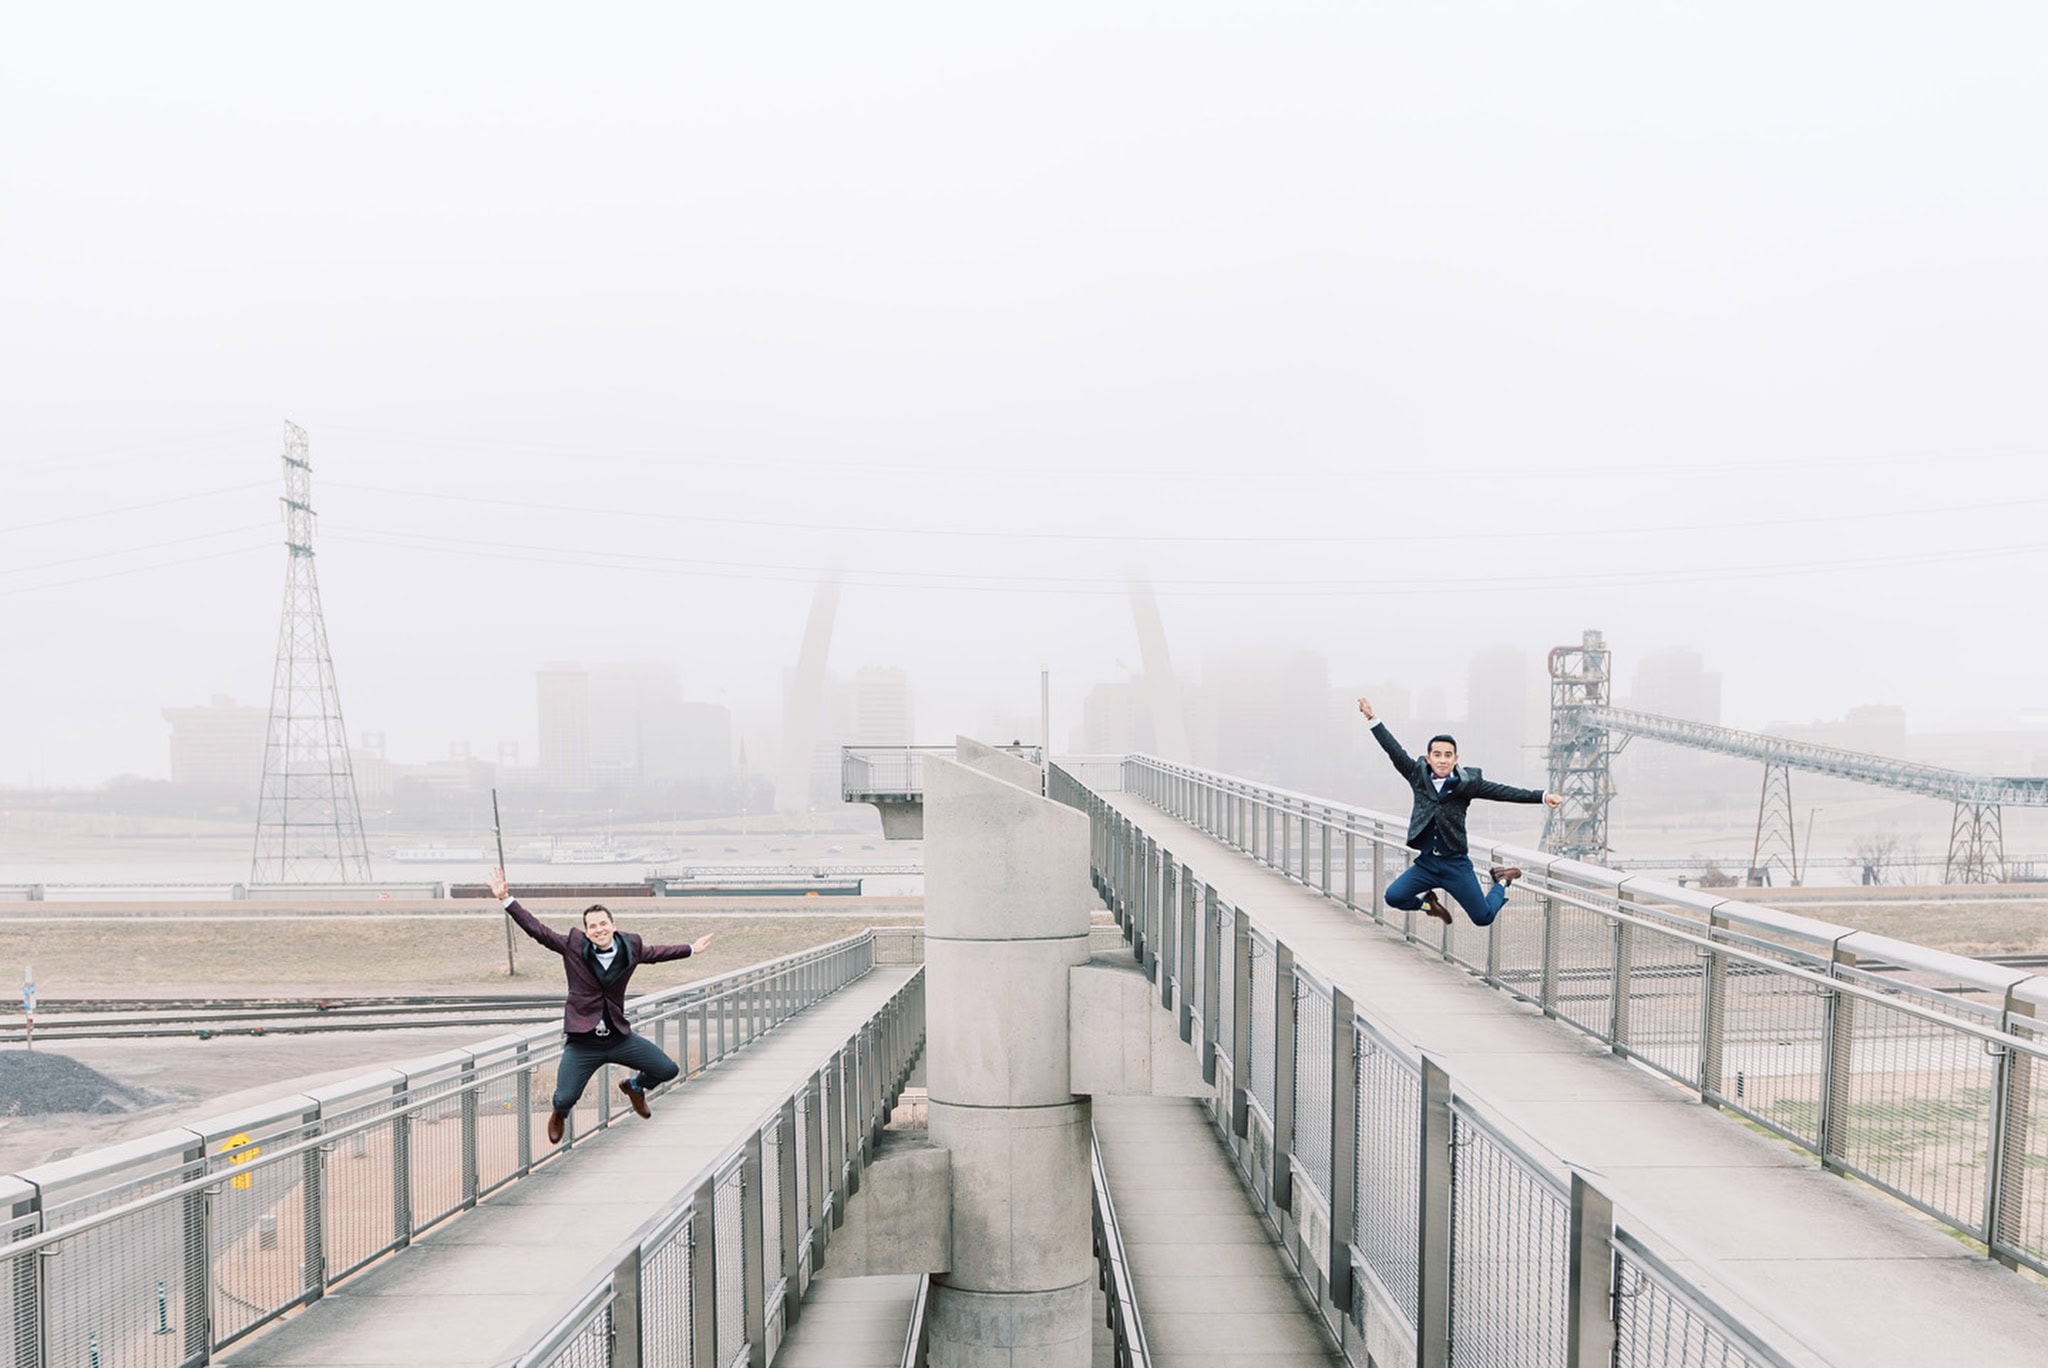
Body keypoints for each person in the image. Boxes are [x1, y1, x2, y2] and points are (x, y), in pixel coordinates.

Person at [487, 866, 712, 1144]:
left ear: (613, 925)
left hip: (619, 1038)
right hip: (583, 1042)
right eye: (592, 926)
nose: (598, 929)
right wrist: (506, 899)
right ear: (587, 931)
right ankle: (560, 1112)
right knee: (565, 1095)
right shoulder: (572, 946)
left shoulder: (632, 947)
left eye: (603, 923)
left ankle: (634, 1087)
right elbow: (539, 931)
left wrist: (691, 948)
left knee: (667, 1069)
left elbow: (659, 953)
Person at [1355, 698, 1563, 927]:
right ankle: (1429, 906)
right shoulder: (1417, 776)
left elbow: (1505, 792)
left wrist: (1543, 796)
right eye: (1437, 755)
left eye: (1447, 755)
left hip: (1456, 865)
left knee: (1483, 918)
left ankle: (1502, 880)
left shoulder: (1467, 784)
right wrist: (1372, 719)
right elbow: (1393, 751)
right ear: (1428, 758)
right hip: (1426, 864)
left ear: (1455, 759)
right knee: (1393, 896)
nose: (1442, 760)